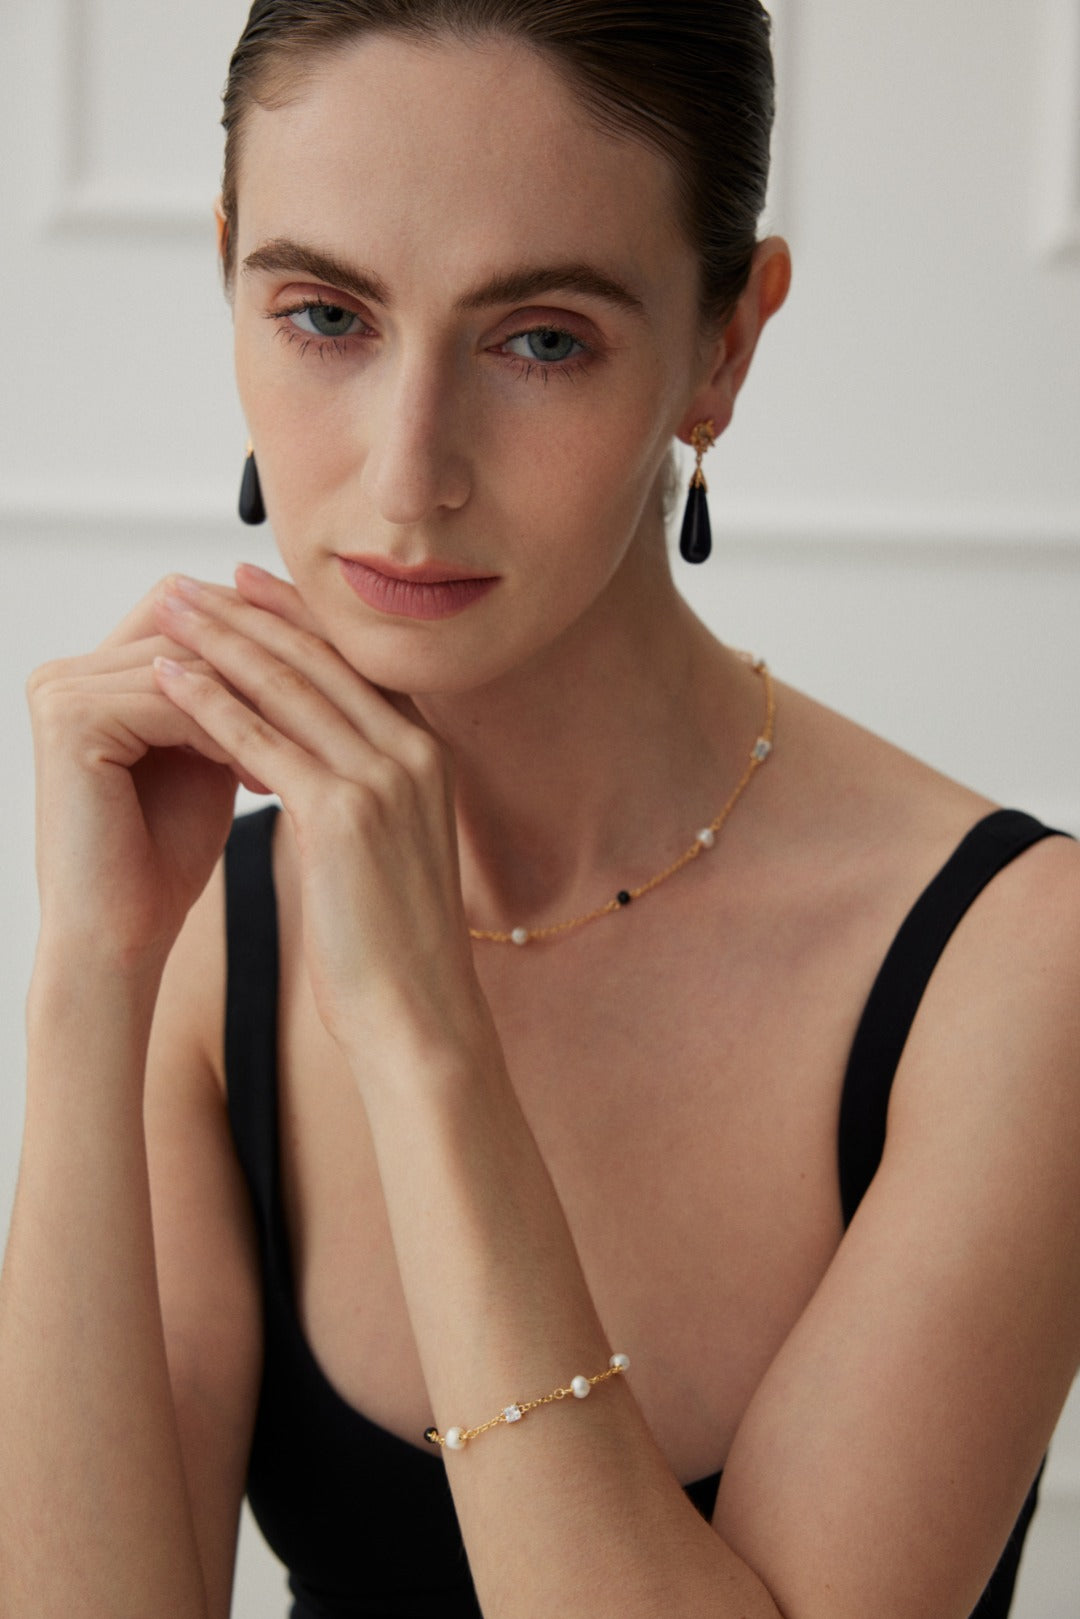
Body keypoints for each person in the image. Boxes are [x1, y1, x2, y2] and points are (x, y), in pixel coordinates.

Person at [3, 3, 1079, 1616]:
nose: (406, 470)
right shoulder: (210, 945)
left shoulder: (1017, 973)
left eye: (541, 339)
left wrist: (425, 1038)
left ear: (726, 346)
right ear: (227, 273)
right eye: (324, 314)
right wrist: (96, 968)